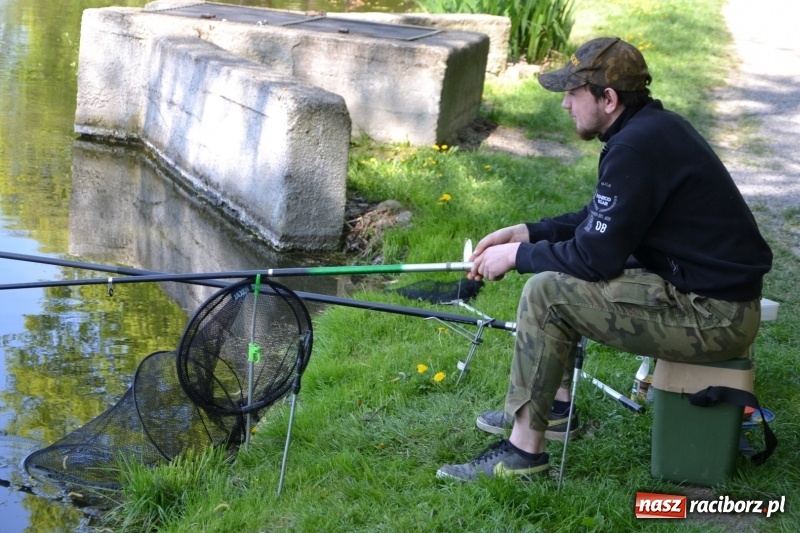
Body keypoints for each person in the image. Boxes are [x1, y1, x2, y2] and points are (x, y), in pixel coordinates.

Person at [436, 37, 773, 481]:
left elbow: (595, 257)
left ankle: (522, 456)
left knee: (548, 292)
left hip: (714, 316)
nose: (565, 106)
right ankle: (553, 412)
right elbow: (603, 220)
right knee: (557, 272)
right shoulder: (649, 129)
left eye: (573, 94)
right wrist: (528, 233)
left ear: (608, 98)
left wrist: (517, 256)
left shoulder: (637, 146)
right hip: (711, 298)